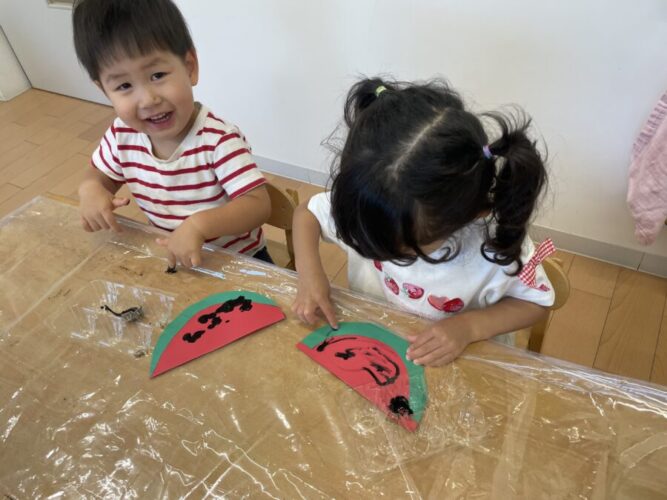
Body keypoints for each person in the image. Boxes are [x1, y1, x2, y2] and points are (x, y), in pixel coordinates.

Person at [292, 77, 556, 366]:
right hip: (379, 337)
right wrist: (309, 274)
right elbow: (307, 213)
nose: (378, 254)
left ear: (465, 217)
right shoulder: (366, 207)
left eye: (400, 252)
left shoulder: (497, 246)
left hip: (461, 357)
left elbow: (536, 303)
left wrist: (469, 328)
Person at [72, 0, 272, 267]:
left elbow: (258, 205)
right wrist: (90, 189)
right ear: (104, 91)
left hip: (238, 261)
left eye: (157, 75)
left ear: (190, 67)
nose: (148, 99)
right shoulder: (122, 135)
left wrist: (199, 226)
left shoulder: (219, 140)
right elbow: (100, 175)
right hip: (174, 255)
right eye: (124, 86)